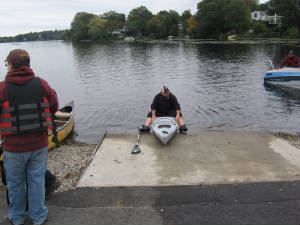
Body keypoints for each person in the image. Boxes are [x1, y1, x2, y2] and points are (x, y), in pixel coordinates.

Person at [0, 49, 58, 225]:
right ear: (28, 65)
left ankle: (16, 218)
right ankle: (38, 216)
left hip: (14, 147)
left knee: (15, 184)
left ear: (10, 65)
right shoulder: (41, 84)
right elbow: (54, 104)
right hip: (38, 145)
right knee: (37, 180)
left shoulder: (2, 88)